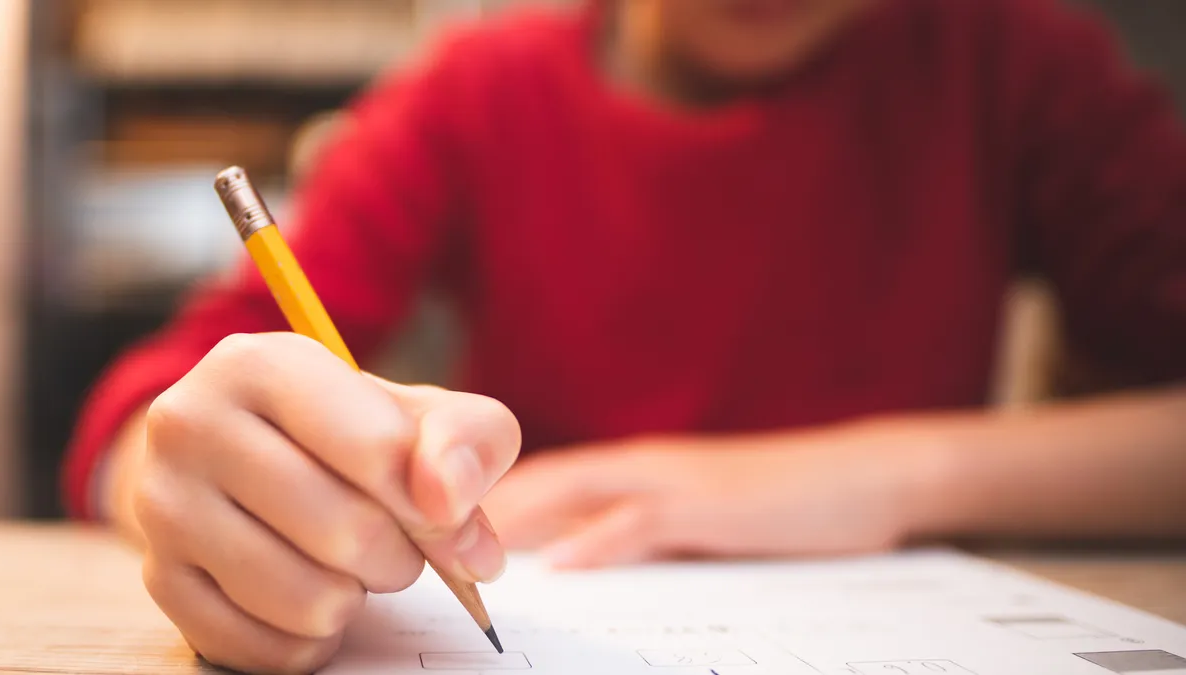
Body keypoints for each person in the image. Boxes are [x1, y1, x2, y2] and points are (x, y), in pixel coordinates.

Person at [62, 0, 1186, 672]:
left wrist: (886, 477)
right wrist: (195, 471)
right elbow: (154, 408)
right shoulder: (476, 95)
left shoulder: (1014, 64)